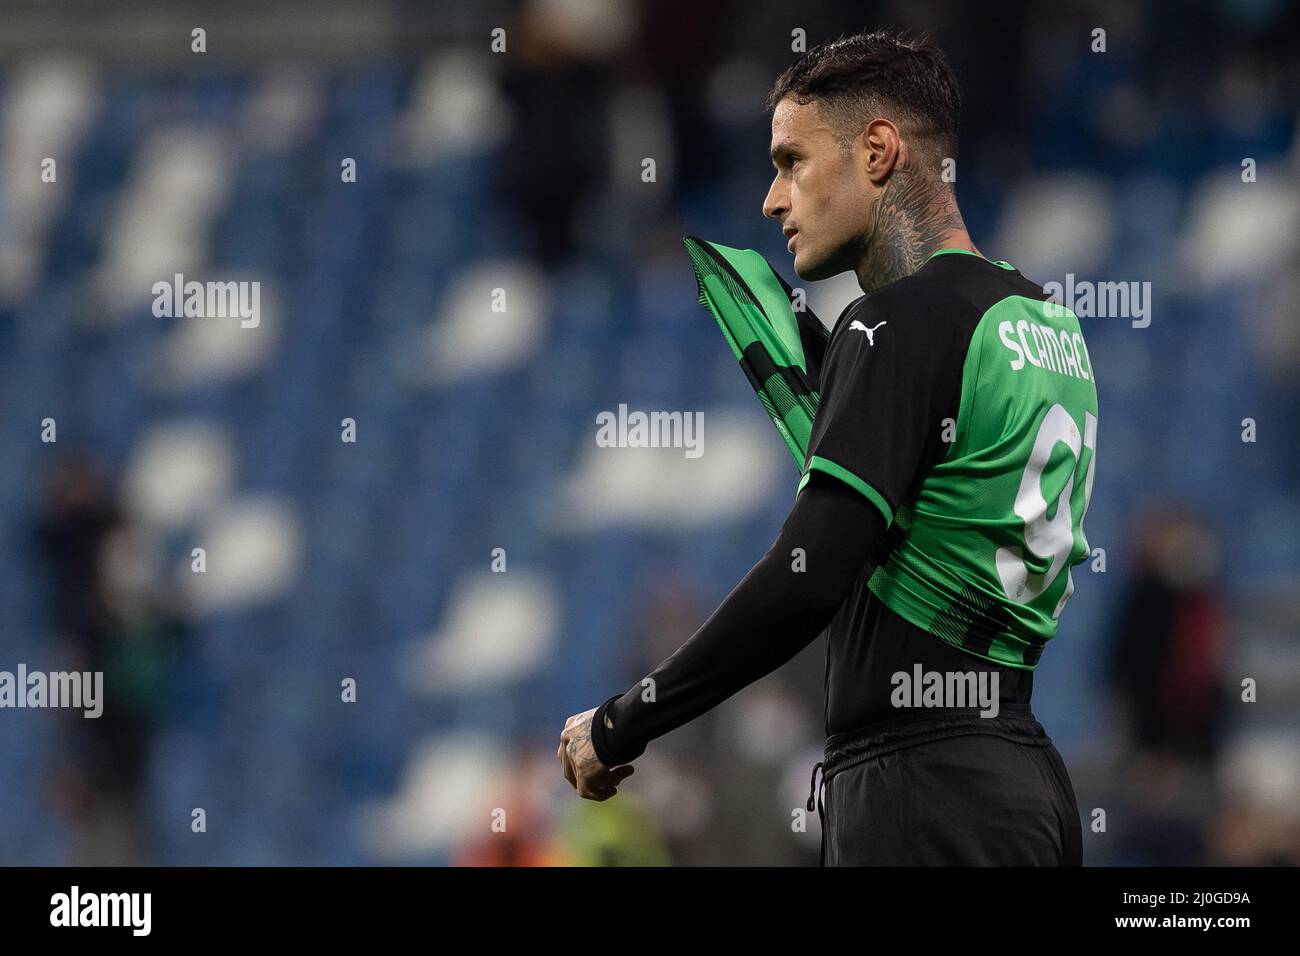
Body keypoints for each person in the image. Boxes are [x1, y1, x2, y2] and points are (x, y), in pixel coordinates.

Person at [559, 29, 1095, 865]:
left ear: (878, 150)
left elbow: (807, 576)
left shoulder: (895, 324)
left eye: (791, 162)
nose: (773, 199)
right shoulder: (1048, 324)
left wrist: (625, 719)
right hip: (1024, 779)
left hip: (920, 791)